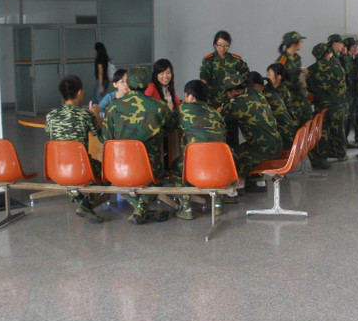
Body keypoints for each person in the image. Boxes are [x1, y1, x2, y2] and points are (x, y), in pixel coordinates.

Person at [103, 67, 172, 224]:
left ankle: (140, 209)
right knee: (160, 177)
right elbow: (169, 129)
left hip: (119, 169)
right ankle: (142, 208)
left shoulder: (112, 107)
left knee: (122, 182)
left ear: (127, 84)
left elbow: (106, 139)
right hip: (150, 169)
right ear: (148, 84)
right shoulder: (159, 106)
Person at [45, 75, 104, 223]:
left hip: (56, 168)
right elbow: (100, 134)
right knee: (106, 172)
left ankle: (76, 195)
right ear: (79, 92)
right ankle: (86, 204)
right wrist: (96, 114)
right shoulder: (85, 115)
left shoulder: (50, 116)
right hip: (80, 168)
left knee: (70, 167)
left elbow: (50, 134)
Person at [170, 80, 227, 217]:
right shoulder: (216, 113)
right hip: (222, 166)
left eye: (184, 96)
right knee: (213, 161)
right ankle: (217, 204)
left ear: (190, 97)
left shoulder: (184, 109)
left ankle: (186, 208)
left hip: (196, 167)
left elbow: (169, 125)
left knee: (176, 167)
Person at [221, 73, 282, 198]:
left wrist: (220, 110)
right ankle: (246, 182)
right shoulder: (257, 94)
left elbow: (218, 118)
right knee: (244, 150)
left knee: (231, 155)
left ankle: (232, 191)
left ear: (233, 92)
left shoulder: (238, 104)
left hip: (263, 149)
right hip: (277, 144)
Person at [200, 30, 249, 147]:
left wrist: (238, 88)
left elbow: (246, 74)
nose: (222, 48)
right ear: (215, 44)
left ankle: (233, 156)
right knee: (216, 134)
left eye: (226, 45)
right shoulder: (209, 60)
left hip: (230, 101)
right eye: (220, 45)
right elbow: (203, 78)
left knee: (232, 133)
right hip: (213, 102)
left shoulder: (235, 60)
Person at [307, 43, 347, 167]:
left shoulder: (311, 70)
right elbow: (343, 87)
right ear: (327, 53)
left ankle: (323, 155)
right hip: (337, 106)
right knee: (339, 131)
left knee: (322, 131)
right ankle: (341, 154)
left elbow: (309, 89)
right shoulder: (337, 68)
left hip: (320, 106)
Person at [248, 71, 296, 149]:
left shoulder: (264, 97)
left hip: (285, 138)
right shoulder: (268, 91)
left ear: (255, 85)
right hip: (290, 134)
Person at [276, 31, 313, 127]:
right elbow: (280, 82)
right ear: (294, 43)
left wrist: (303, 76)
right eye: (300, 41)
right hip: (291, 100)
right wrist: (299, 80)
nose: (301, 43)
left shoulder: (296, 58)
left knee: (307, 125)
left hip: (301, 98)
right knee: (295, 127)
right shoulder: (282, 61)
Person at [343, 37, 358, 146]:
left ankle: (345, 140)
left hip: (352, 92)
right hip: (347, 93)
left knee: (351, 118)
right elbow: (348, 74)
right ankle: (343, 141)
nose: (356, 48)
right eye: (353, 46)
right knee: (347, 118)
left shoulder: (351, 58)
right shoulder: (345, 58)